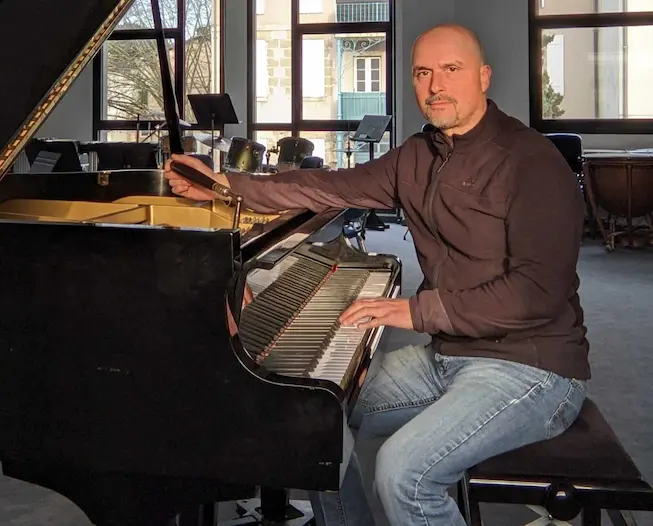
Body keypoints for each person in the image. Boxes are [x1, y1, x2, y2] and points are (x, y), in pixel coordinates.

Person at [165, 23, 589, 526]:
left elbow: (536, 294)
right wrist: (228, 185)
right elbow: (326, 188)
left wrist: (415, 309)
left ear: (483, 76)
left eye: (451, 70)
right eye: (423, 73)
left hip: (532, 370)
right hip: (449, 356)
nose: (436, 86)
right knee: (312, 418)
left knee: (402, 471)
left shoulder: (530, 161)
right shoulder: (418, 154)